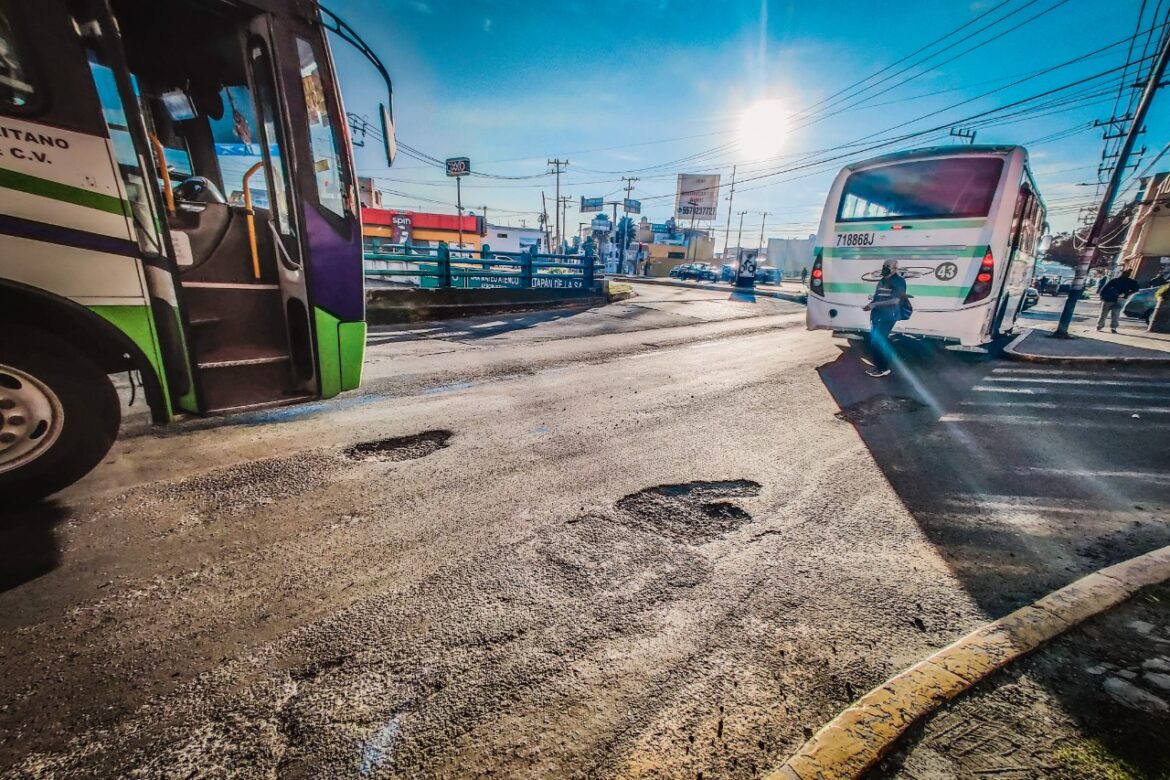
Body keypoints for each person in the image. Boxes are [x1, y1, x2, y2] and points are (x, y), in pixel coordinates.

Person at [861, 259, 907, 378]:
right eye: (884, 266)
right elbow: (878, 297)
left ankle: (884, 368)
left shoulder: (899, 281)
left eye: (888, 266)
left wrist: (875, 305)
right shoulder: (883, 280)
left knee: (879, 341)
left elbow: (895, 300)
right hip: (878, 315)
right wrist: (870, 305)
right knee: (874, 341)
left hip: (889, 315)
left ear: (895, 269)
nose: (885, 268)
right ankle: (878, 366)